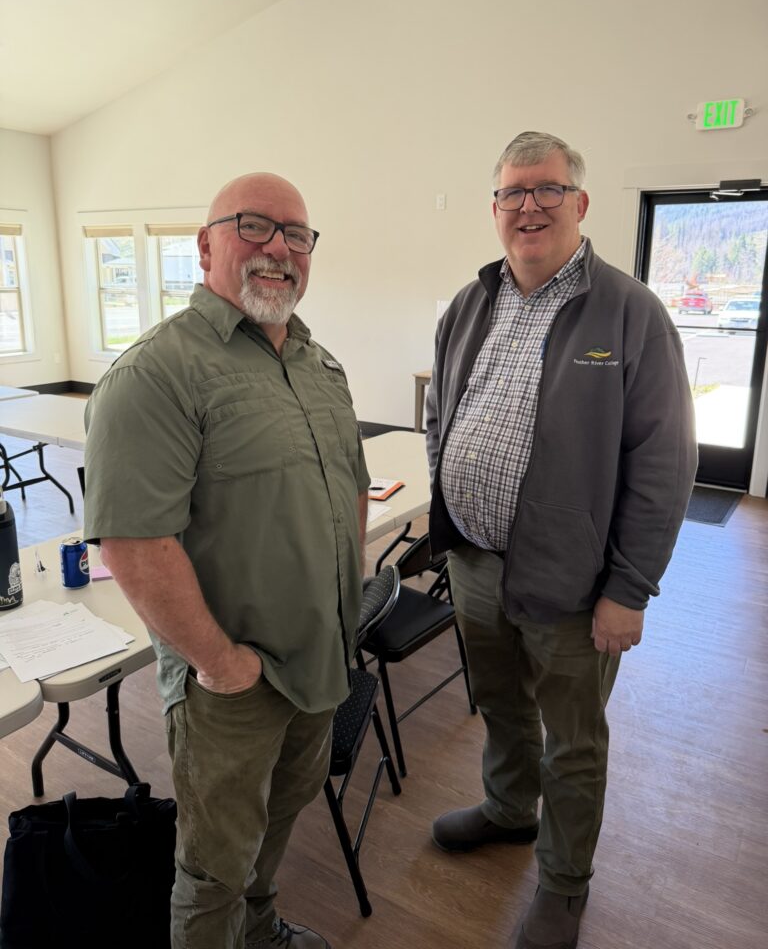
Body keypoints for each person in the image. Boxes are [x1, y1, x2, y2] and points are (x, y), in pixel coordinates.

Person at [83, 172, 370, 949]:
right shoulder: (155, 373)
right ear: (205, 244)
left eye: (297, 234)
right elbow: (133, 541)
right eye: (255, 225)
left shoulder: (319, 364)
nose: (279, 247)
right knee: (214, 864)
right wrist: (217, 662)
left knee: (279, 819)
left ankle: (261, 926)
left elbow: (351, 486)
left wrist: (346, 607)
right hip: (234, 684)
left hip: (319, 658)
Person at [425, 132, 697, 949]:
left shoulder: (629, 312)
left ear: (580, 203)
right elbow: (441, 408)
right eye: (513, 193)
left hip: (576, 583)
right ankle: (510, 810)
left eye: (546, 190)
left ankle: (564, 882)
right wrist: (447, 511)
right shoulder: (471, 302)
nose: (529, 206)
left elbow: (665, 460)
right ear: (496, 209)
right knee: (501, 707)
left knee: (574, 740)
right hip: (474, 562)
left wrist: (630, 587)